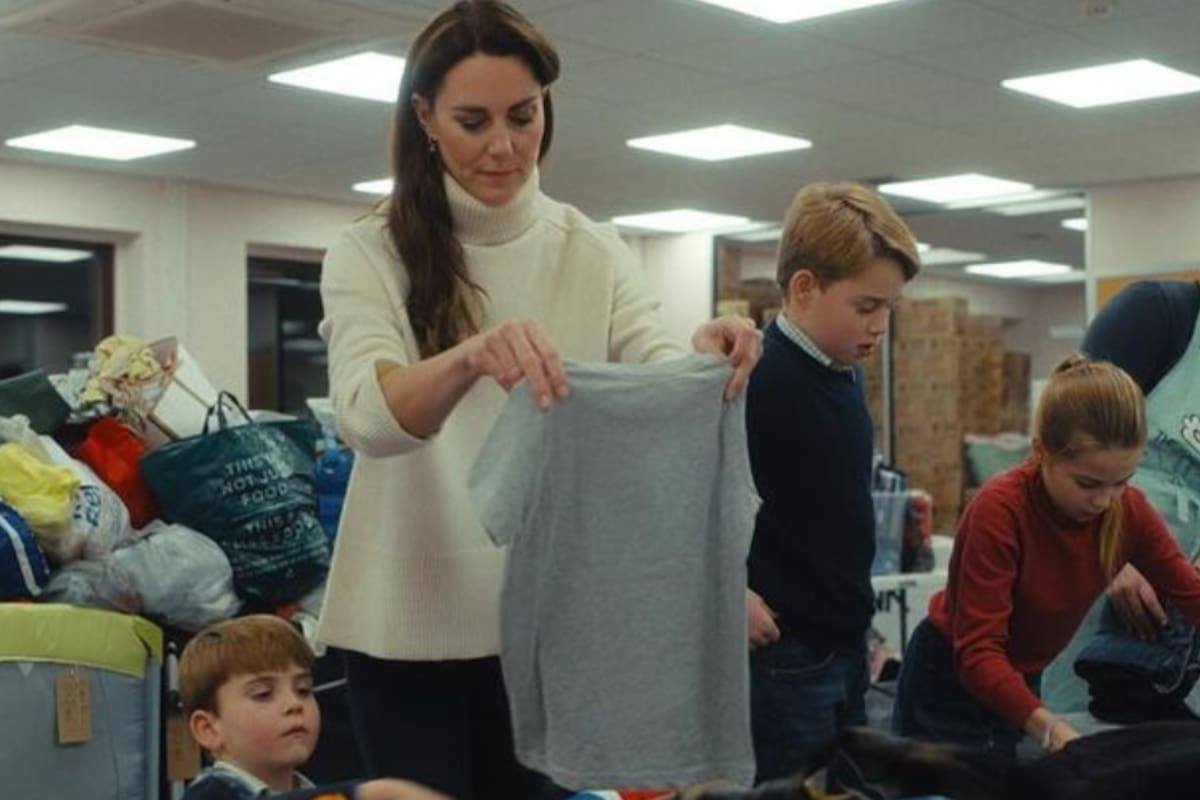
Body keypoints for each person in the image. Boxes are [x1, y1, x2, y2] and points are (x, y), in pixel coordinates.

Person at [315, 2, 761, 797]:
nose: (504, 145)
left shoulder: (591, 247)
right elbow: (368, 416)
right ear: (424, 118)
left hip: (548, 628)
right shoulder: (368, 250)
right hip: (401, 629)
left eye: (523, 116)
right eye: (473, 120)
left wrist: (701, 359)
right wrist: (470, 358)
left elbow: (649, 379)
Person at [893, 355, 1200, 758]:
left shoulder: (1129, 511)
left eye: (1121, 482)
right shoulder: (999, 511)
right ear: (1042, 453)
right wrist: (1049, 726)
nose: (1105, 501)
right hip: (947, 681)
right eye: (1088, 483)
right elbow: (979, 652)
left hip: (1017, 677)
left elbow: (1190, 592)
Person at [744, 181, 921, 782]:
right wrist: (726, 591)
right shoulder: (758, 382)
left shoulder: (844, 372)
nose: (878, 327)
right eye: (866, 306)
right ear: (804, 288)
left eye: (888, 311)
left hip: (845, 644)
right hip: (786, 657)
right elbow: (686, 501)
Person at [1041, 279, 1200, 711]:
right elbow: (1061, 456)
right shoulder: (1158, 315)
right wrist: (1108, 552)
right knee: (1079, 737)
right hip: (1101, 576)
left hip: (1182, 618)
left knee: (1167, 759)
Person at [180, 615, 445, 800]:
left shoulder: (312, 789)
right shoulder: (210, 793)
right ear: (208, 728)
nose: (294, 704)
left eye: (304, 690)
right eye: (263, 694)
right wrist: (375, 794)